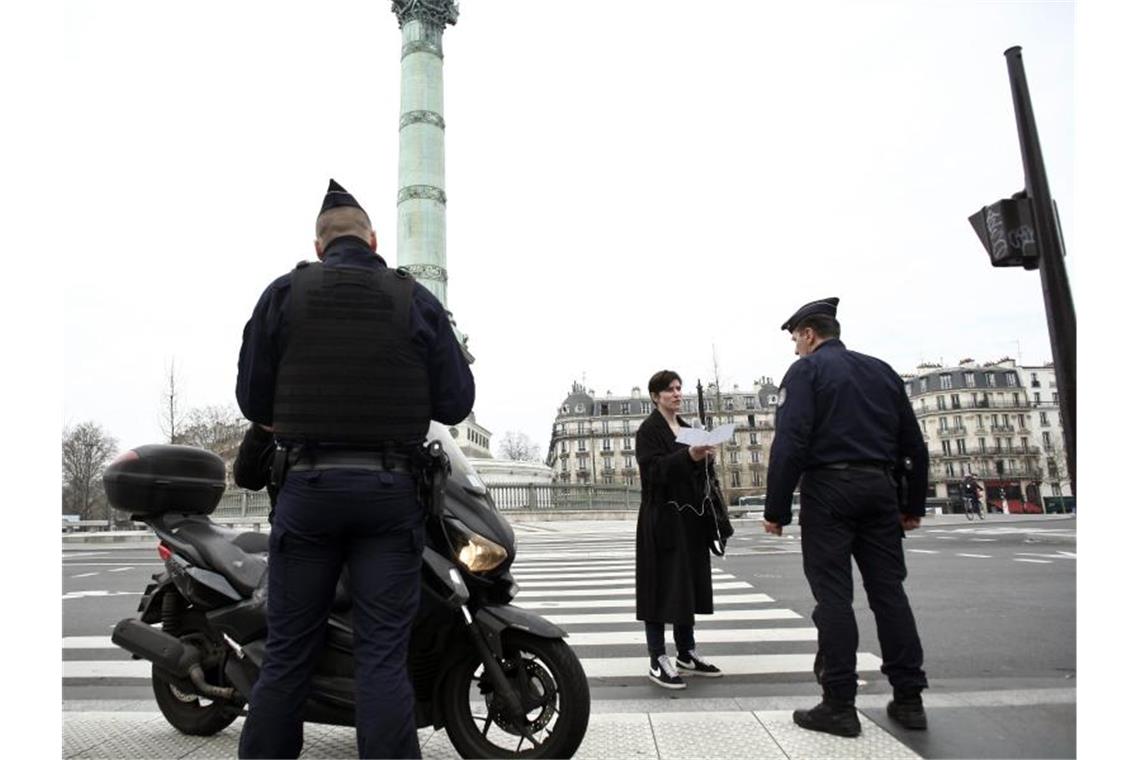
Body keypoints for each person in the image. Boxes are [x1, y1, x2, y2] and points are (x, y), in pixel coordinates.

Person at [235, 179, 475, 759]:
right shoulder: (414, 298)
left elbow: (252, 401)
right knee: (382, 655)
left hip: (308, 491)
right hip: (390, 495)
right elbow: (455, 403)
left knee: (289, 650)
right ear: (373, 239)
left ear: (319, 246)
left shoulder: (283, 295)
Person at [763, 297, 929, 737]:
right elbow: (914, 444)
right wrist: (912, 504)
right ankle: (910, 698)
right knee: (889, 595)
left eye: (796, 339)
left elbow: (791, 441)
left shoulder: (806, 371)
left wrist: (776, 508)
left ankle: (839, 704)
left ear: (809, 334)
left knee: (833, 598)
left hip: (829, 491)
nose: (795, 348)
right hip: (881, 490)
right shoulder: (881, 370)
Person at [634, 369, 724, 689]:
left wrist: (706, 458)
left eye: (679, 388)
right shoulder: (648, 430)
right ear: (656, 396)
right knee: (658, 586)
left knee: (687, 585)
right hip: (660, 517)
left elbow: (698, 474)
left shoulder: (688, 428)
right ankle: (657, 657)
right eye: (670, 389)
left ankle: (686, 651)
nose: (677, 393)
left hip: (689, 518)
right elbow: (654, 471)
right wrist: (688, 455)